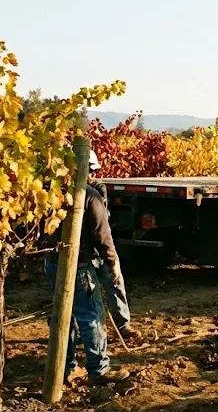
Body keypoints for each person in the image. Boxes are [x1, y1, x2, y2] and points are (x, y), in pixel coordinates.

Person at [44, 183, 130, 385]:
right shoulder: (90, 196)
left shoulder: (50, 191)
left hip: (52, 261)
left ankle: (65, 368)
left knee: (65, 314)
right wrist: (112, 264)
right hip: (79, 266)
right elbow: (103, 236)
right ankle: (98, 371)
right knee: (91, 315)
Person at [86, 150, 139, 343]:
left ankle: (123, 326)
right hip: (83, 253)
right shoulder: (65, 192)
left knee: (115, 283)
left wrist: (110, 258)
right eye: (88, 170)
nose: (91, 174)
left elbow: (101, 224)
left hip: (98, 248)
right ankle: (86, 334)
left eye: (92, 170)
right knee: (87, 296)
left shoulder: (97, 190)